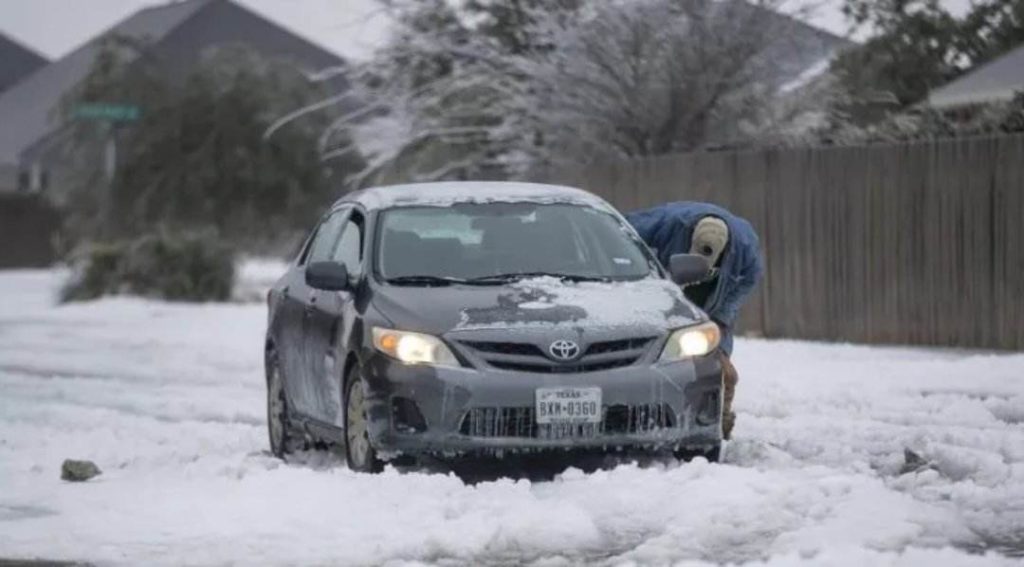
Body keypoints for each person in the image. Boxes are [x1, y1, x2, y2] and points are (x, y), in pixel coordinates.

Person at [625, 202, 763, 440]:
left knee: (721, 371)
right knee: (661, 365)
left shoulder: (744, 245)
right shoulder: (666, 224)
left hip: (714, 307)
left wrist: (722, 317)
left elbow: (750, 278)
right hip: (666, 302)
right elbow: (619, 231)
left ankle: (717, 423)